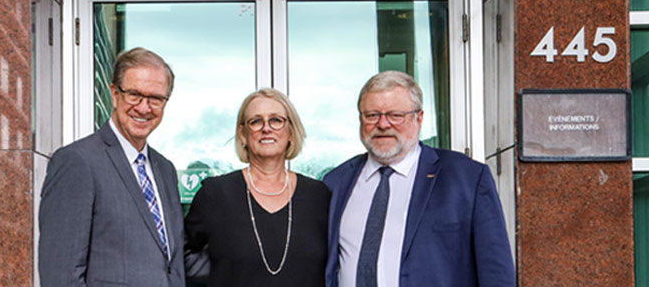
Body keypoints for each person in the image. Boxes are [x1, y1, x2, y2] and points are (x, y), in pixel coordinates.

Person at [324, 71, 516, 287]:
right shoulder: (336, 182)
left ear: (419, 118)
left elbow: (496, 272)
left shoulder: (466, 178)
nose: (383, 124)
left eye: (395, 115)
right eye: (372, 115)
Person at [39, 47, 185, 287]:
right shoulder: (77, 161)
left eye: (155, 98)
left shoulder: (165, 170)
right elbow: (60, 275)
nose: (144, 107)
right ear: (114, 94)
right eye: (135, 94)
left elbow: (171, 262)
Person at [184, 88, 330, 287]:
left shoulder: (319, 196)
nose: (266, 128)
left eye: (276, 120)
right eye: (256, 121)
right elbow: (179, 260)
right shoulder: (215, 194)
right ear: (243, 135)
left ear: (291, 133)